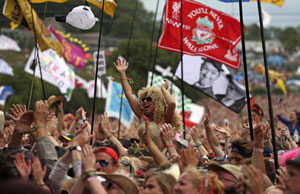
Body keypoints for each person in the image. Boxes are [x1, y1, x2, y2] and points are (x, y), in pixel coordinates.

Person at [114, 58, 182, 149]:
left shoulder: (165, 119)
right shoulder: (142, 115)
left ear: (157, 102)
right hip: (141, 154)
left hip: (159, 158)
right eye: (143, 99)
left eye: (149, 99)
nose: (145, 101)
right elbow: (128, 94)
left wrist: (163, 89)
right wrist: (122, 73)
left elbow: (172, 104)